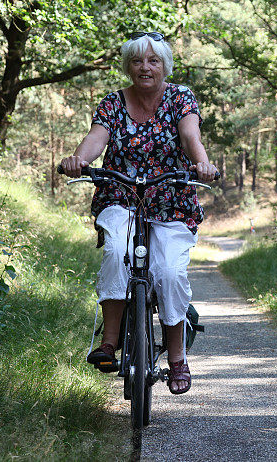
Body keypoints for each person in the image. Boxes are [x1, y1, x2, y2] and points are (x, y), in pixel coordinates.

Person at [60, 31, 218, 395]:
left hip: (171, 200)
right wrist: (80, 160)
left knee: (170, 272)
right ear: (127, 66)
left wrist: (203, 164)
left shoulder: (181, 98)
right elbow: (96, 139)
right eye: (137, 61)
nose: (145, 67)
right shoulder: (113, 104)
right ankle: (109, 343)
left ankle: (177, 358)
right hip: (120, 196)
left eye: (153, 60)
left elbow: (191, 136)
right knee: (117, 252)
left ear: (165, 66)